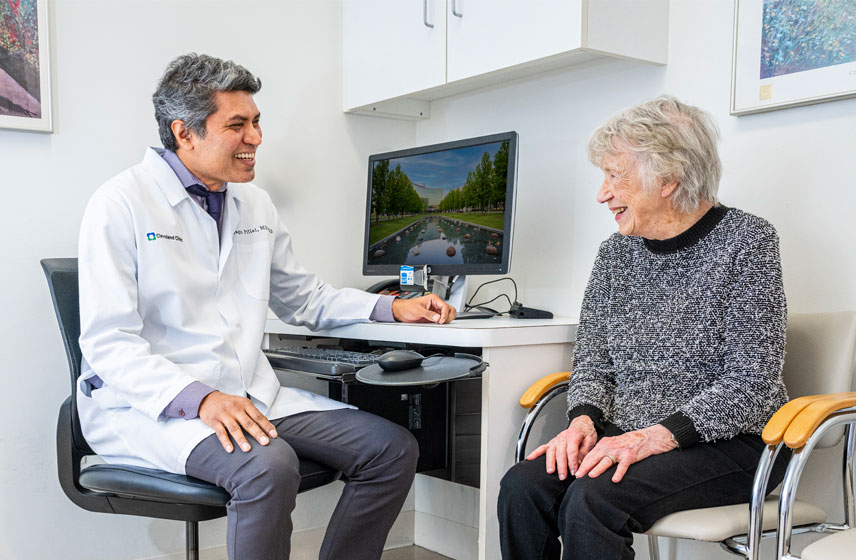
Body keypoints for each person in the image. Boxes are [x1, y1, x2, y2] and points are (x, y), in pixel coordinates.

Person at [77, 53, 456, 560]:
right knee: (268, 466)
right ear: (185, 133)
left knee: (391, 450)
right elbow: (108, 342)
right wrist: (202, 399)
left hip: (249, 394)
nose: (256, 138)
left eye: (256, 122)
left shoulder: (252, 204)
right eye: (238, 125)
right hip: (152, 406)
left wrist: (391, 309)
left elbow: (303, 298)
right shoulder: (120, 203)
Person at [497, 95, 790, 559]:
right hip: (629, 431)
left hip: (731, 443)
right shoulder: (615, 254)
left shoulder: (747, 241)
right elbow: (593, 361)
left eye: (615, 175)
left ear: (669, 178)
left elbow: (751, 381)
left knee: (593, 499)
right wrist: (583, 421)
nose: (602, 193)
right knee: (523, 488)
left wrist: (652, 437)